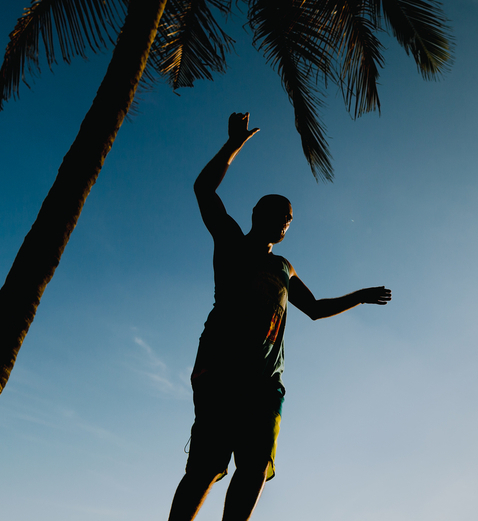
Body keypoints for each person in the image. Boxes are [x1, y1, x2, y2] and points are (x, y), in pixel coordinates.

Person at [167, 112, 391, 521]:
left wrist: (359, 296)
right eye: (280, 212)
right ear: (257, 212)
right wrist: (234, 143)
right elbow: (203, 189)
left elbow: (317, 309)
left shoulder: (284, 266)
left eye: (289, 218)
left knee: (254, 466)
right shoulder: (232, 241)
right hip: (220, 368)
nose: (286, 220)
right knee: (206, 465)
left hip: (266, 382)